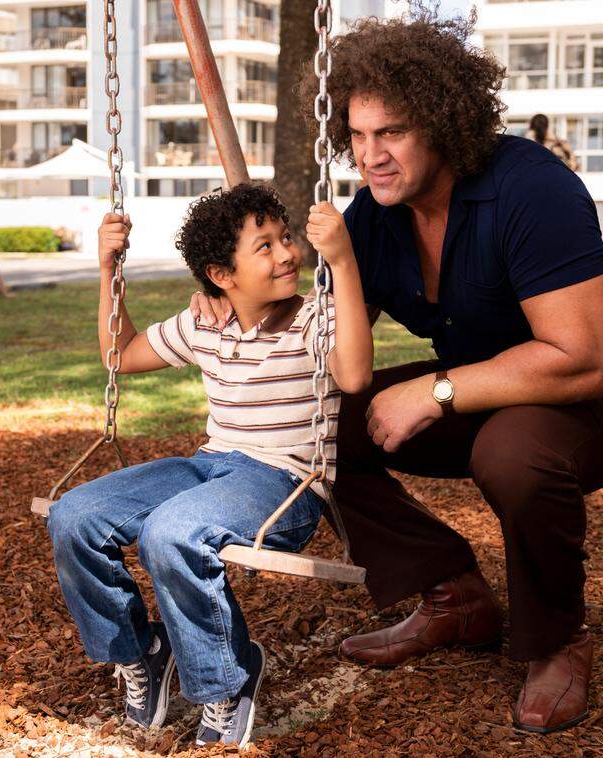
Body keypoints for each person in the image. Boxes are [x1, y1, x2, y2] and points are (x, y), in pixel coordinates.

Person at [192, 9, 603, 736]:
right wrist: (231, 297)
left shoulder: (530, 189)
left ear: (443, 123)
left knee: (512, 450)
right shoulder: (376, 216)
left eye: (392, 133)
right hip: (488, 383)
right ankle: (453, 595)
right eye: (357, 135)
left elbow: (587, 359)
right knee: (329, 416)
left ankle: (557, 638)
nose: (370, 155)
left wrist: (438, 391)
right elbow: (320, 336)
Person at [45, 183, 373, 749]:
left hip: (284, 483)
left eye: (286, 238)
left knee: (171, 532)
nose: (287, 254)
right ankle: (142, 653)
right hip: (211, 464)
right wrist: (108, 269)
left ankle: (228, 678)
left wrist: (342, 264)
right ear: (222, 275)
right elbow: (120, 354)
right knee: (74, 516)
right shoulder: (205, 323)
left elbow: (355, 376)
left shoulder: (314, 318)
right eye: (265, 247)